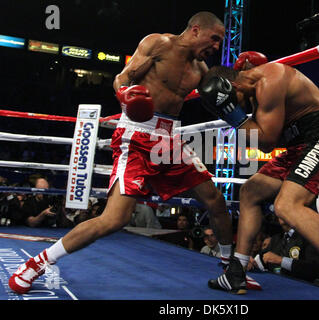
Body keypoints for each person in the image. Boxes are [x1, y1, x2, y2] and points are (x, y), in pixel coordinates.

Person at [8, 11, 236, 295]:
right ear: (195, 30)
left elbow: (221, 97)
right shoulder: (158, 44)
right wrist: (126, 94)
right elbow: (123, 78)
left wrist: (242, 77)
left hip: (170, 139)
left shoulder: (201, 70)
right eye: (214, 39)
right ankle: (38, 262)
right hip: (137, 135)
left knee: (216, 201)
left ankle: (232, 270)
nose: (216, 46)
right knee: (114, 219)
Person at [198, 54, 319, 299]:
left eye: (232, 102)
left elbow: (265, 141)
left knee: (286, 205)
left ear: (232, 87)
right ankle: (236, 272)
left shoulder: (270, 79)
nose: (238, 107)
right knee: (250, 191)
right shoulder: (254, 90)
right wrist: (233, 113)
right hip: (297, 146)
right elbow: (265, 142)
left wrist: (231, 115)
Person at [248, 218, 319, 283]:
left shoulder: (309, 238)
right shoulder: (276, 239)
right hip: (276, 286)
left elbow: (316, 270)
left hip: (302, 290)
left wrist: (282, 261)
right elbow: (264, 258)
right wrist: (252, 262)